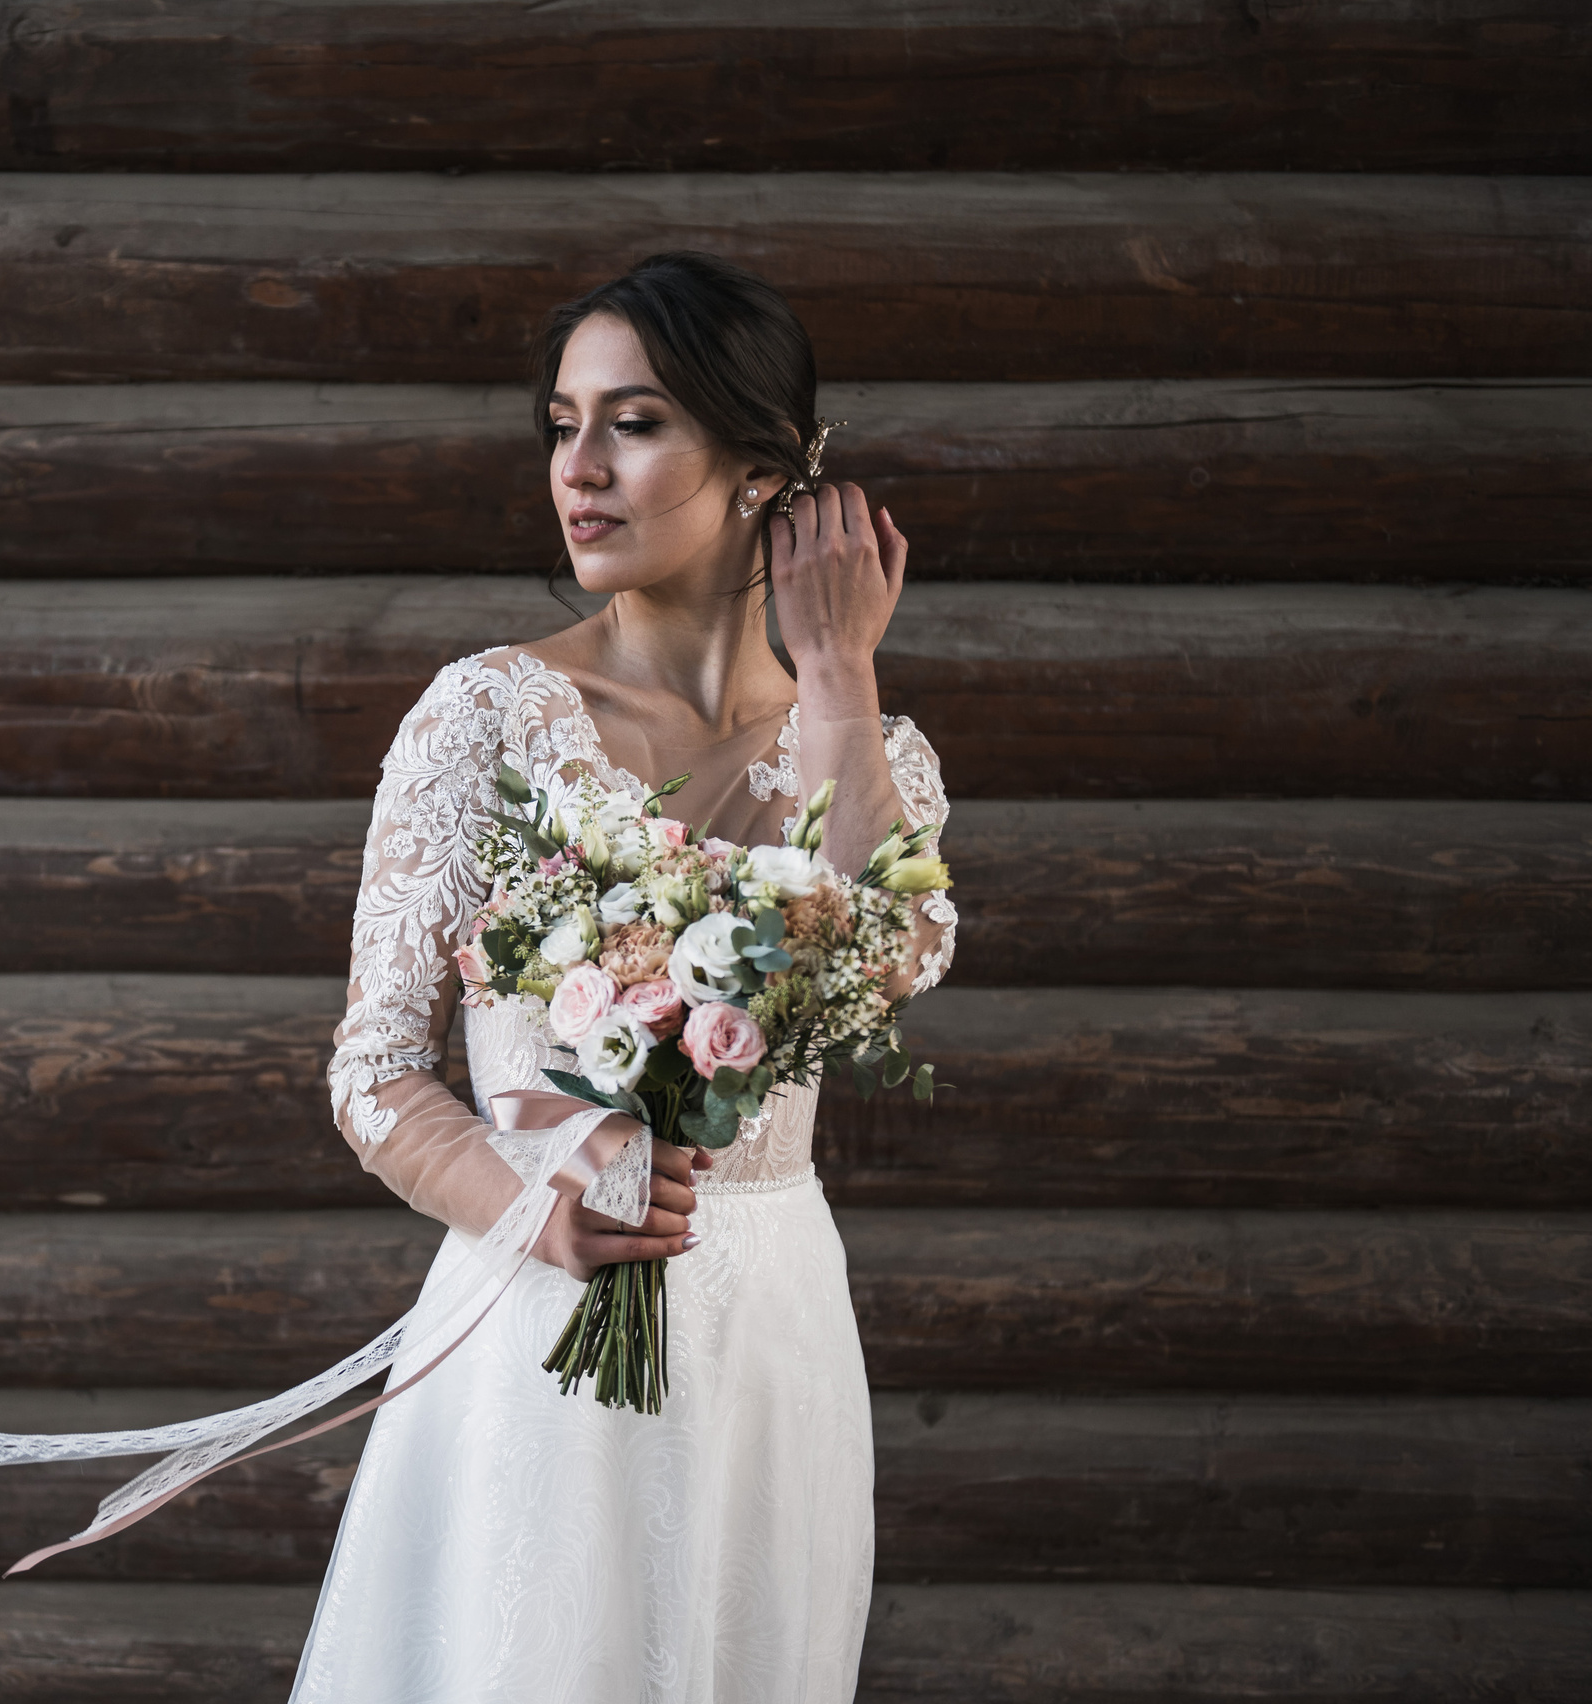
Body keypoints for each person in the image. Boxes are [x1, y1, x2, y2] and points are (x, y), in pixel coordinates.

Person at [300, 251, 957, 1702]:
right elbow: (374, 1072)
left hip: (773, 1329)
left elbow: (890, 957)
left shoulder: (875, 753)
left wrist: (838, 676)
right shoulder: (490, 716)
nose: (579, 469)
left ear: (764, 468)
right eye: (561, 423)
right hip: (540, 1324)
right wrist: (532, 1199)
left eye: (636, 421)